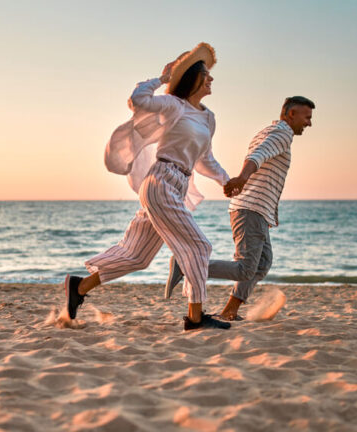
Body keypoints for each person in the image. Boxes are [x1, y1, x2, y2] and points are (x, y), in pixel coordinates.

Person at [64, 43, 232, 330]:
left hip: (178, 184)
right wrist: (162, 79)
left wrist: (227, 181)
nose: (211, 78)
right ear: (193, 78)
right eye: (206, 74)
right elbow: (138, 99)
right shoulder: (173, 106)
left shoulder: (208, 117)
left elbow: (205, 159)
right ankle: (195, 317)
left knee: (138, 256)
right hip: (160, 181)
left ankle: (79, 288)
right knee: (199, 246)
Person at [164, 96, 315, 320]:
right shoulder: (281, 134)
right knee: (245, 268)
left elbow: (258, 156)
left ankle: (230, 310)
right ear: (291, 114)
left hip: (256, 210)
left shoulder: (268, 131)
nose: (309, 123)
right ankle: (186, 263)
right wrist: (242, 179)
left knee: (262, 264)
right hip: (251, 208)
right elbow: (257, 156)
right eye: (307, 117)